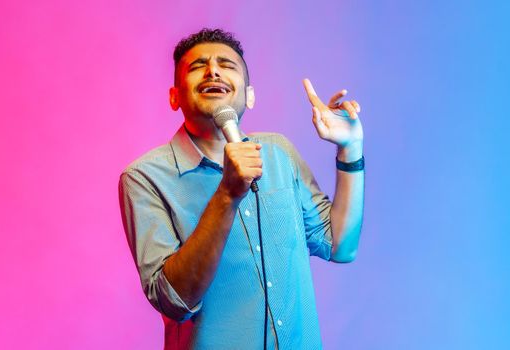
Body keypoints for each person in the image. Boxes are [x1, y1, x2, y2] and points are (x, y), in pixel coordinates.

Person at [118, 28, 364, 349]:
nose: (213, 70)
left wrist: (350, 149)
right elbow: (174, 302)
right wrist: (227, 195)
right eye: (197, 66)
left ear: (249, 95)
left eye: (226, 64)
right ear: (174, 97)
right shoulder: (144, 177)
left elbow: (339, 246)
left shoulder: (279, 153)